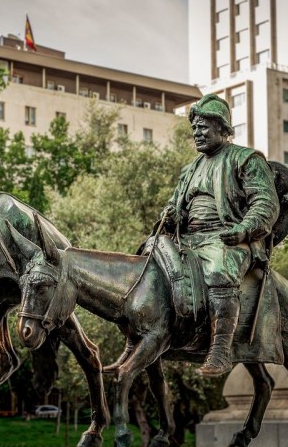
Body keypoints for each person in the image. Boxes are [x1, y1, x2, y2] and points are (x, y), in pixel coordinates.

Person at [106, 93, 279, 378]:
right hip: (188, 239)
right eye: (194, 128)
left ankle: (221, 350)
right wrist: (171, 213)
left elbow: (265, 203)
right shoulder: (191, 169)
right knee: (147, 264)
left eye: (203, 127)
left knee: (220, 270)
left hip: (227, 238)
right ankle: (135, 340)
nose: (197, 133)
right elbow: (177, 203)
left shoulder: (246, 159)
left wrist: (244, 230)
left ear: (222, 128)